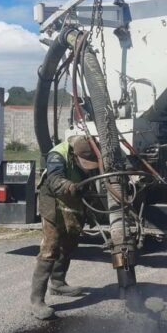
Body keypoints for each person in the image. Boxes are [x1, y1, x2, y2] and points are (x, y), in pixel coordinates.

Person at [30, 135, 100, 320]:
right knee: (51, 246)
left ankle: (58, 283)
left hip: (72, 195)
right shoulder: (57, 155)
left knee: (70, 241)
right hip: (53, 197)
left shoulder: (91, 147)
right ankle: (37, 301)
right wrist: (70, 186)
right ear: (74, 155)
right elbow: (54, 181)